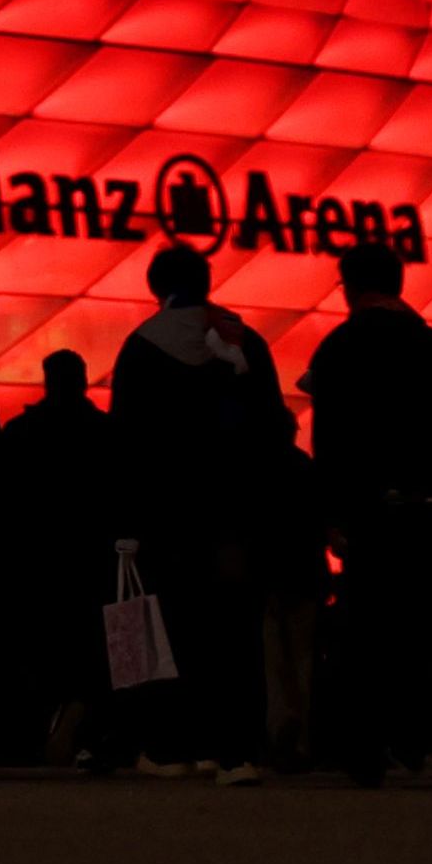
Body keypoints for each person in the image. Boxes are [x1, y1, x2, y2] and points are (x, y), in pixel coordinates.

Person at [300, 238, 432, 785]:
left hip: (372, 513)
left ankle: (364, 752)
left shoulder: (339, 348)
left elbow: (330, 440)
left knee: (368, 635)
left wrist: (332, 515)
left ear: (351, 288)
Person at [107, 242, 289, 781]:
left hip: (168, 513)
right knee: (235, 629)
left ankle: (173, 745)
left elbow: (127, 443)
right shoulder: (243, 340)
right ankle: (236, 748)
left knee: (173, 628)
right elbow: (274, 429)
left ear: (155, 286)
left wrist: (126, 522)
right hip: (236, 513)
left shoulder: (142, 347)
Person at [0, 349, 115, 765]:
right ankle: (82, 725)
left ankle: (26, 738)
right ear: (85, 380)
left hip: (27, 562)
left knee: (28, 651)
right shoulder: (105, 432)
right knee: (88, 648)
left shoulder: (20, 432)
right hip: (89, 559)